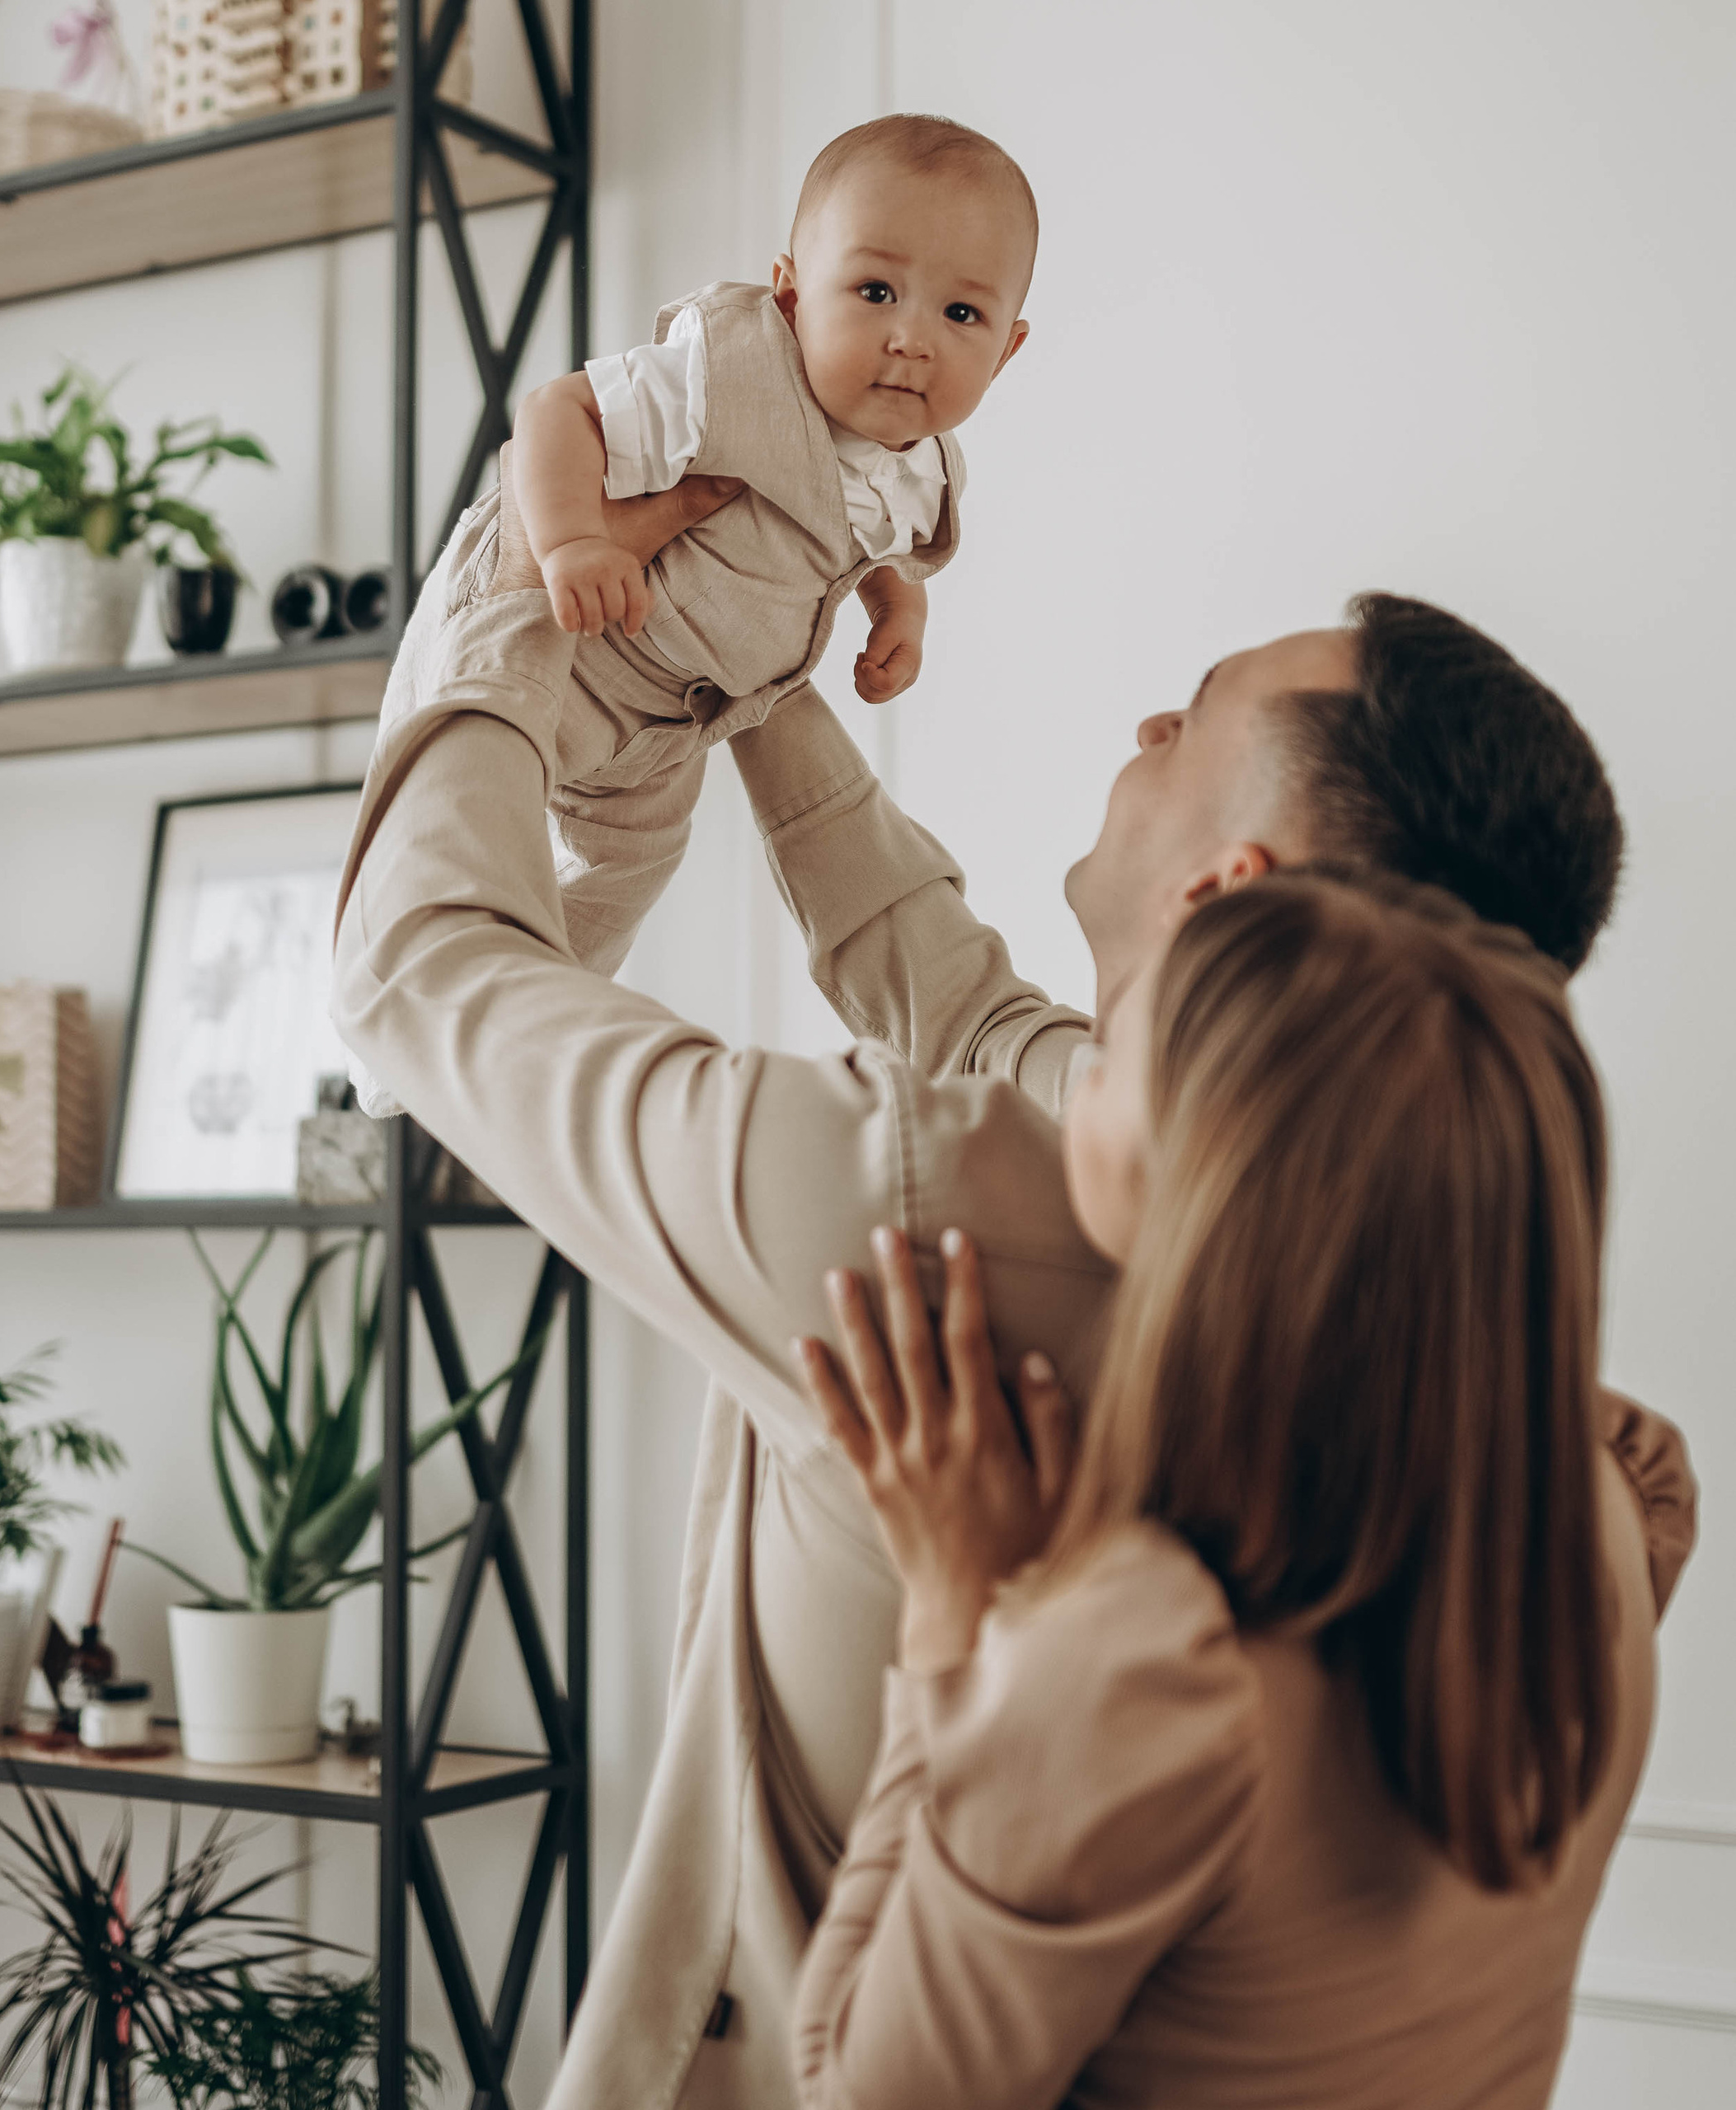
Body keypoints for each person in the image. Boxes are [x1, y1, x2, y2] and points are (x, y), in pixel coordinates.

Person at [329, 460, 1695, 2110]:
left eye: (1188, 718)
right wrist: (746, 661)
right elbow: (970, 1012)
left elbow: (423, 967)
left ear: (1226, 901)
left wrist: (510, 561)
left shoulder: (911, 1245)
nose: (1143, 730)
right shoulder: (1575, 1488)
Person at [788, 874, 1692, 2108]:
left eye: (1106, 1061)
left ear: (1208, 1196)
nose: (1073, 1066)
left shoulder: (1147, 1668)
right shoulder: (1598, 1508)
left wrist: (957, 1614)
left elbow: (853, 2090)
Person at [350, 114, 1037, 1117]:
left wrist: (901, 614)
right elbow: (553, 414)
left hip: (670, 723)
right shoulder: (722, 375)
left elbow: (878, 551)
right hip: (557, 630)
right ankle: (393, 1018)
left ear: (1009, 348)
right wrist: (574, 543)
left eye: (962, 315)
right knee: (454, 794)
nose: (911, 338)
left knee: (630, 868)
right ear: (794, 291)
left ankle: (507, 1033)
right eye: (876, 291)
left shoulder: (923, 469)